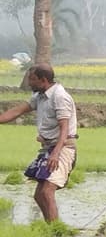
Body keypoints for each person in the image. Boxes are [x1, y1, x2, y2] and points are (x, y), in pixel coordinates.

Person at [0, 64, 77, 222]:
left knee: (46, 192)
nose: (29, 83)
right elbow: (17, 111)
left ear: (43, 80)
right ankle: (51, 227)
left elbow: (65, 128)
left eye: (32, 79)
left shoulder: (59, 96)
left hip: (62, 149)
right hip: (48, 148)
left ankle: (55, 230)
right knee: (39, 195)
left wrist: (55, 154)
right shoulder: (39, 96)